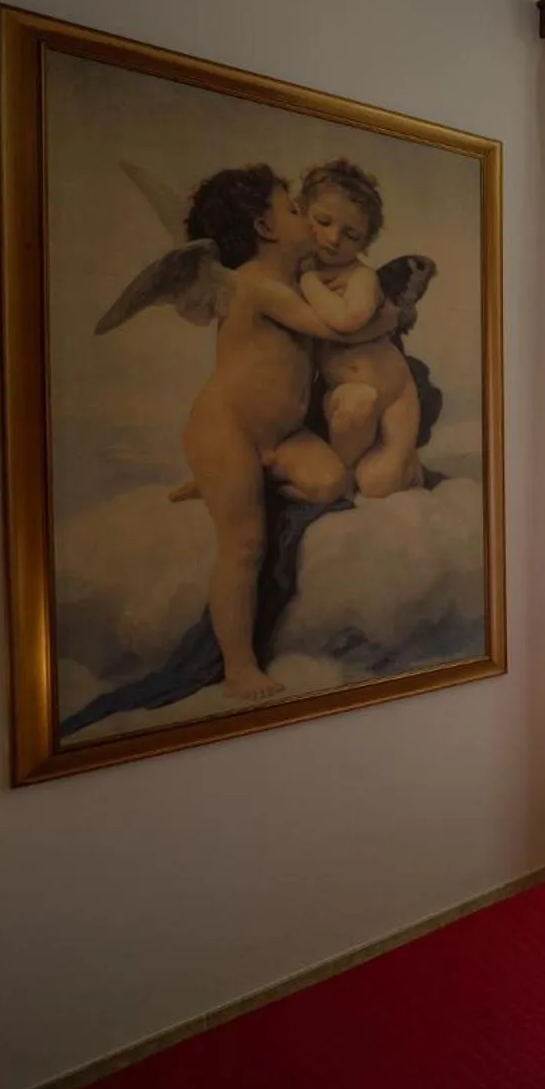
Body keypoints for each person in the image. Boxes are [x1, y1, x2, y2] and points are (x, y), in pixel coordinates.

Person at [172, 166, 392, 700]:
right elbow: (337, 327)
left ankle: (237, 483)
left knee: (330, 482)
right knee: (245, 545)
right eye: (294, 210)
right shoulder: (255, 282)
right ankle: (238, 666)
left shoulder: (294, 281)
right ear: (265, 227)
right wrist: (390, 314)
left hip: (282, 434)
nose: (307, 220)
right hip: (228, 432)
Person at [297, 159, 425, 498]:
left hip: (395, 396)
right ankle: (346, 474)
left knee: (379, 483)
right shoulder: (295, 272)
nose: (333, 238)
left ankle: (407, 465)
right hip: (347, 398)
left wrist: (309, 282)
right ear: (302, 213)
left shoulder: (360, 277)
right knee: (356, 403)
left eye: (351, 234)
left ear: (364, 242)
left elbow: (347, 320)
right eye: (323, 222)